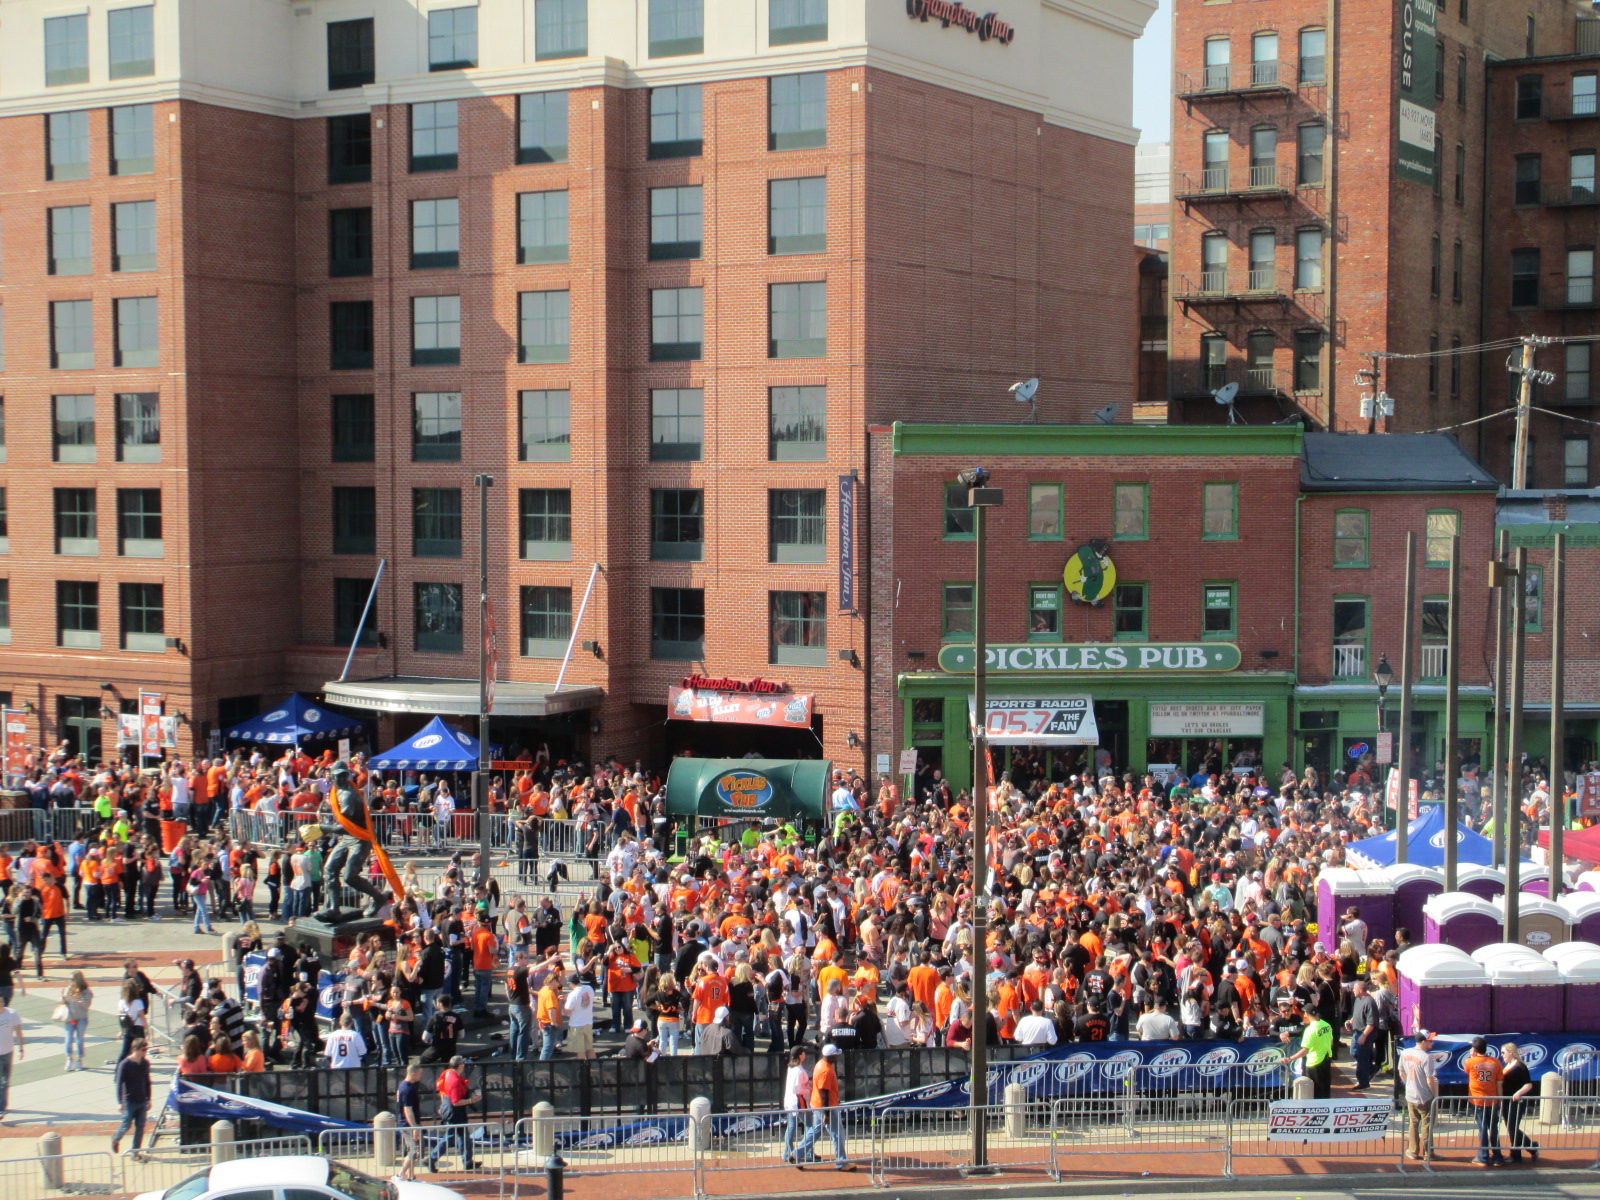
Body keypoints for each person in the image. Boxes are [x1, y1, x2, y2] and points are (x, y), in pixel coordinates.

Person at [792, 1043, 853, 1171]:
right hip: (825, 1106)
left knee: (815, 1131)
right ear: (831, 1056)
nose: (837, 1057)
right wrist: (827, 1113)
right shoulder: (826, 1070)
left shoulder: (821, 1064)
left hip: (818, 1104)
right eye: (835, 1055)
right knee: (838, 1133)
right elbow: (823, 1092)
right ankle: (841, 1162)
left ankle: (798, 1154)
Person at [429, 1056, 478, 1172]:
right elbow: (456, 1102)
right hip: (455, 1112)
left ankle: (467, 1161)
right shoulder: (454, 1080)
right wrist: (473, 1100)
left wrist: (443, 1105)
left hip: (451, 1109)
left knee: (463, 1136)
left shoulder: (448, 1073)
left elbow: (442, 1090)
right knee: (451, 1136)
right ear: (460, 1066)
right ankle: (431, 1158)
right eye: (463, 1063)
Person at [1463, 1036, 1506, 1167]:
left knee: (1482, 1129)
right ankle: (1497, 1156)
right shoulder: (1496, 1062)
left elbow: (1467, 1071)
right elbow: (1499, 1083)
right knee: (1493, 1128)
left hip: (1477, 1099)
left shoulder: (1470, 1062)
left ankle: (1483, 1156)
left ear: (1475, 1049)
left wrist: (1472, 1056)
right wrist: (1500, 1099)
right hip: (1492, 1099)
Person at [1281, 1003, 1333, 1098]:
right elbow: (1331, 1041)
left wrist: (1289, 1058)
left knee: (1316, 1091)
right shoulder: (1326, 1025)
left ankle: (1318, 1111)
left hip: (1314, 1062)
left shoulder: (1310, 1030)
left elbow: (1305, 1050)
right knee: (1326, 1089)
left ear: (1307, 1014)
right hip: (1326, 1059)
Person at [111, 1039, 152, 1156]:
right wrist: (120, 1102)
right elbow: (119, 1084)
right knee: (126, 1125)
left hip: (142, 1100)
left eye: (146, 1049)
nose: (145, 1052)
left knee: (140, 1126)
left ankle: (135, 1152)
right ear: (135, 1050)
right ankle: (116, 1138)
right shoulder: (125, 1065)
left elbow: (147, 1082)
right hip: (129, 1100)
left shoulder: (145, 1063)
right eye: (143, 1049)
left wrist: (148, 1098)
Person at [1500, 1042, 1539, 1164]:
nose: (1502, 1055)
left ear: (1511, 1052)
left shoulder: (1520, 1066)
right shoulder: (1507, 1065)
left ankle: (1520, 1152)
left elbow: (1528, 1084)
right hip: (1506, 1101)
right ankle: (1528, 1148)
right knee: (1511, 1127)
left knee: (1512, 1127)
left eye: (1503, 1052)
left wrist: (1518, 1093)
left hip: (1517, 1102)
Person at [1346, 980, 1379, 1089]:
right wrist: (1350, 1021)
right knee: (1354, 1052)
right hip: (1357, 1032)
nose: (1352, 990)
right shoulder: (1358, 999)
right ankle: (1372, 1068)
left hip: (1366, 1033)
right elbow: (1356, 1014)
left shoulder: (1369, 1002)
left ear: (1360, 990)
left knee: (1362, 1058)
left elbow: (1371, 1023)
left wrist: (1364, 1036)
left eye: (1354, 989)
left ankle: (1363, 1082)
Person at [781, 1045, 811, 1164]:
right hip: (798, 1101)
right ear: (800, 1055)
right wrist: (809, 1089)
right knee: (810, 1126)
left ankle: (787, 1153)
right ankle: (806, 1152)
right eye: (804, 1052)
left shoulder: (791, 1068)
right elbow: (798, 1089)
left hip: (789, 1101)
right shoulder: (799, 1070)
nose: (805, 1054)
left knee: (791, 1126)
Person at [396, 1063, 424, 1181]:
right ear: (413, 1074)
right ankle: (400, 1174)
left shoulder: (406, 1086)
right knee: (413, 1150)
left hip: (408, 1123)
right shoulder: (407, 1088)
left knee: (413, 1150)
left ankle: (411, 1175)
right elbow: (408, 1110)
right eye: (419, 1073)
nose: (420, 1076)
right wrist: (414, 1127)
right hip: (407, 1124)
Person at [60, 971, 92, 1072]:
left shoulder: (86, 991)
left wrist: (79, 1000)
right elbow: (65, 1002)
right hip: (70, 1018)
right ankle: (69, 1058)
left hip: (81, 1018)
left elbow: (87, 1005)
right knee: (68, 1040)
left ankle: (79, 1059)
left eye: (72, 979)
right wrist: (63, 997)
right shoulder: (70, 989)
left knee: (79, 1040)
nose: (70, 981)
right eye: (70, 979)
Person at [0, 991, 21, 1119]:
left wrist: (21, 1048)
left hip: (8, 1051)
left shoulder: (11, 1014)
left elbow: (18, 1031)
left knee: (5, 1081)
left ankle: (3, 1106)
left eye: (1, 1002)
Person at [116, 978, 147, 1064]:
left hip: (128, 1028)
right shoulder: (138, 1002)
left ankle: (119, 1066)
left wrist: (121, 1031)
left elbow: (122, 1018)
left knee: (125, 1050)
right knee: (141, 1049)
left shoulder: (121, 1002)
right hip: (138, 1029)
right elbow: (142, 1016)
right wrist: (146, 1029)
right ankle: (140, 1065)